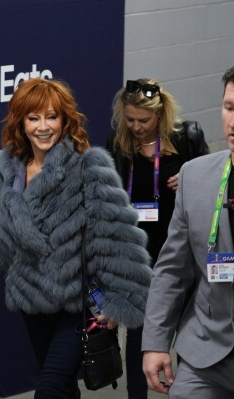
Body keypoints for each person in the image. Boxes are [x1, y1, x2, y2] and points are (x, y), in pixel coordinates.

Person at [0, 78, 153, 398]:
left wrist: (119, 298)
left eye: (51, 116)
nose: (43, 126)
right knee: (62, 388)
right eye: (34, 118)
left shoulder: (89, 167)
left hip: (81, 304)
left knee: (48, 389)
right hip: (33, 303)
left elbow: (118, 235)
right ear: (20, 122)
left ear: (65, 120)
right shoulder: (7, 173)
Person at [106, 78, 209, 399]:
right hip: (138, 257)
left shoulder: (188, 138)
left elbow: (215, 183)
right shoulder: (118, 143)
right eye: (130, 119)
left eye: (144, 121)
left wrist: (193, 175)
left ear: (160, 115)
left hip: (181, 254)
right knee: (139, 337)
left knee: (191, 334)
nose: (136, 127)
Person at [142, 66, 234, 397]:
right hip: (206, 357)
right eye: (229, 107)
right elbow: (171, 270)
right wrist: (155, 341)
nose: (233, 121)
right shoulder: (195, 177)